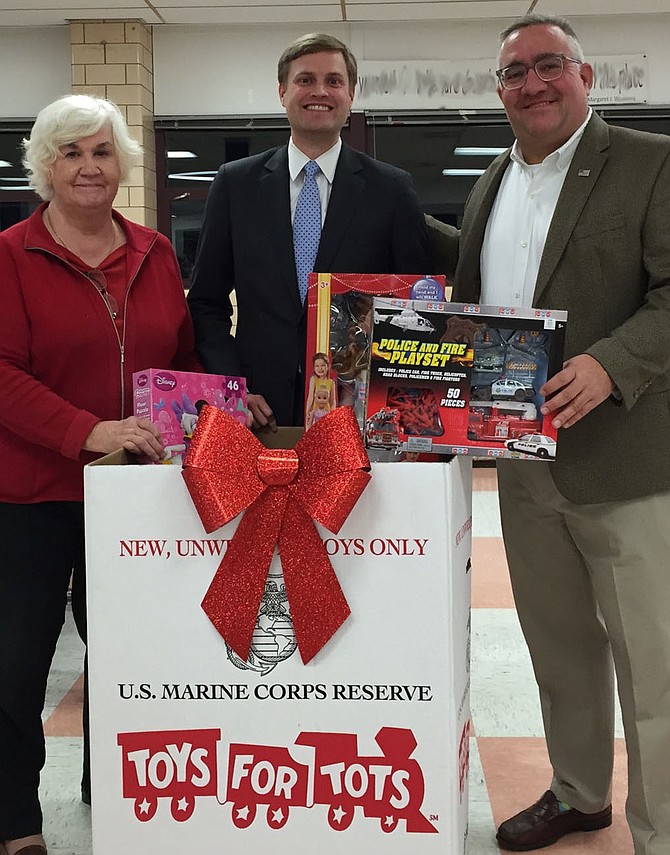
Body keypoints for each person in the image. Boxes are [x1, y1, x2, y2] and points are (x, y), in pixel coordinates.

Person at [434, 13, 670, 854]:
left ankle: (660, 828)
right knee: (560, 648)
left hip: (628, 463)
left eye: (549, 66)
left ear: (585, 74)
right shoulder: (491, 179)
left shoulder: (649, 161)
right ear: (498, 91)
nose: (532, 83)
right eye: (514, 74)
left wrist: (612, 362)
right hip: (521, 463)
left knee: (654, 665)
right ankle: (579, 793)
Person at [0, 94, 200, 855]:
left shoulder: (154, 250)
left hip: (133, 496)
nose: (89, 167)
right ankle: (16, 820)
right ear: (44, 167)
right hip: (31, 495)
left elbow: (177, 359)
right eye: (71, 152)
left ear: (124, 165)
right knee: (16, 663)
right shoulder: (11, 255)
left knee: (127, 656)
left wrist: (216, 399)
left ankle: (114, 788)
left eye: (102, 152)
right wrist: (87, 431)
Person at [187, 32, 430, 429]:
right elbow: (205, 303)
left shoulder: (392, 189)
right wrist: (232, 387)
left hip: (358, 411)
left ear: (351, 94)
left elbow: (415, 305)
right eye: (305, 80)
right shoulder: (236, 185)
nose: (320, 91)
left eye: (333, 81)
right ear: (282, 92)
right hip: (258, 410)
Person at [305, 352, 336, 427]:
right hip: (315, 413)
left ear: (328, 366)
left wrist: (333, 414)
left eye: (323, 365)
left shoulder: (331, 382)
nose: (320, 368)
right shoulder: (314, 379)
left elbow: (332, 401)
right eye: (317, 366)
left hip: (326, 414)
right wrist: (308, 411)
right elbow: (310, 396)